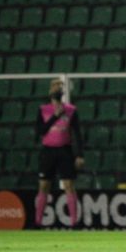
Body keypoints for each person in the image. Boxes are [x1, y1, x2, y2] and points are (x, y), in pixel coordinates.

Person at [34, 79, 85, 228]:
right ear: (50, 90)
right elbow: (40, 131)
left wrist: (79, 154)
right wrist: (55, 116)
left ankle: (74, 222)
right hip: (48, 151)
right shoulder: (43, 109)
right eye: (55, 86)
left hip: (65, 151)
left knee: (69, 185)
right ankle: (38, 222)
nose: (58, 89)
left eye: (60, 86)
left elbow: (77, 134)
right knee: (44, 185)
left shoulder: (71, 110)